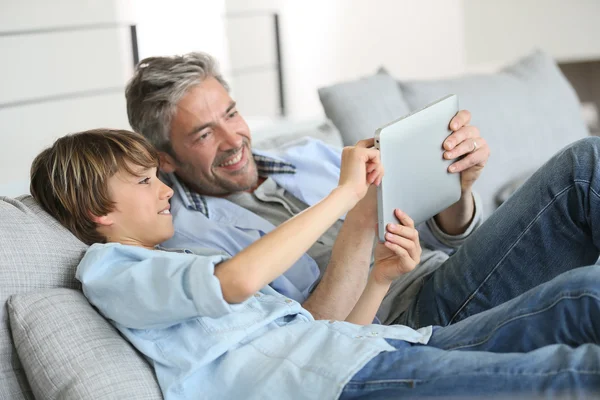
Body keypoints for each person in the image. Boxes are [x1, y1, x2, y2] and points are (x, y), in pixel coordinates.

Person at [29, 128, 600, 399]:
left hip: (382, 349)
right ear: (94, 211)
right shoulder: (110, 269)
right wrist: (344, 195)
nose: (163, 190)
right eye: (146, 180)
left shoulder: (177, 261)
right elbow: (239, 281)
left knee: (583, 295)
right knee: (567, 378)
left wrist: (377, 279)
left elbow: (316, 336)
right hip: (346, 384)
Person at [125, 52, 491, 325]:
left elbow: (444, 237)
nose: (232, 140)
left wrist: (460, 187)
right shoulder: (190, 238)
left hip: (450, 268)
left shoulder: (310, 155)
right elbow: (310, 336)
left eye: (231, 114)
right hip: (405, 315)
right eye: (204, 134)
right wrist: (360, 215)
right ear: (166, 160)